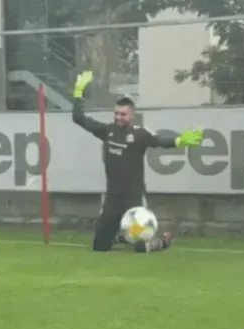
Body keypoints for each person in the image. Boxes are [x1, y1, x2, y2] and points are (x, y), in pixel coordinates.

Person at [72, 71, 203, 253]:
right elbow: (79, 118)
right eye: (116, 113)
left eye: (123, 115)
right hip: (112, 197)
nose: (119, 117)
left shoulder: (140, 134)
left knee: (141, 247)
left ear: (131, 115)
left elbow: (158, 141)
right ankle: (122, 237)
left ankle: (163, 241)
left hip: (134, 197)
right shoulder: (107, 131)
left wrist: (179, 141)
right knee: (100, 247)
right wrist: (78, 92)